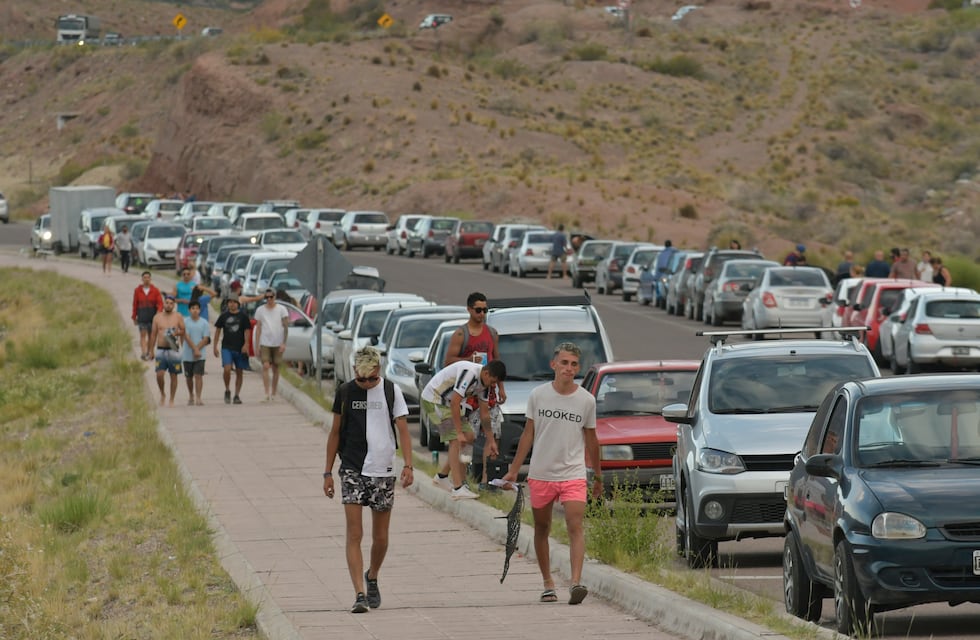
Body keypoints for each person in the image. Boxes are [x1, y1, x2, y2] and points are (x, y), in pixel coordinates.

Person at [502, 342, 600, 606]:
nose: (569, 368)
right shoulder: (538, 395)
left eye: (574, 364)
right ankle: (548, 583)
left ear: (578, 368)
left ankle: (576, 582)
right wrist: (513, 470)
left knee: (575, 525)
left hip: (573, 474)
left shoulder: (586, 400)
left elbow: (592, 440)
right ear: (553, 364)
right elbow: (528, 434)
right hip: (542, 473)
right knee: (542, 528)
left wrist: (598, 476)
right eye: (564, 362)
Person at [323, 346, 414, 614]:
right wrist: (327, 472)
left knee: (381, 537)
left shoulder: (390, 391)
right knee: (354, 534)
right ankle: (359, 595)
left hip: (383, 470)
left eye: (370, 379)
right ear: (354, 373)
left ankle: (372, 576)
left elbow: (404, 431)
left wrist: (408, 465)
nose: (365, 383)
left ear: (378, 371)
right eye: (360, 379)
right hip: (352, 468)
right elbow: (335, 432)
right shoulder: (345, 392)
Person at [441, 292, 507, 490]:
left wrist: (501, 387)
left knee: (491, 434)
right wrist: (470, 361)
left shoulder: (492, 333)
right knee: (463, 438)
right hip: (466, 392)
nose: (482, 314)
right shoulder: (461, 334)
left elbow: (497, 359)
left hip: (487, 390)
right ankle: (460, 479)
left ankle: (486, 482)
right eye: (478, 310)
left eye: (485, 310)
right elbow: (448, 360)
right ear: (469, 309)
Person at [421, 359, 505, 500]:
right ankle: (458, 487)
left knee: (470, 436)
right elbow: (455, 401)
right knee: (455, 439)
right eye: (493, 381)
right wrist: (459, 433)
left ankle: (442, 476)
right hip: (434, 399)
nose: (494, 385)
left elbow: (484, 415)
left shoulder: (485, 385)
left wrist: (491, 441)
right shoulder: (470, 373)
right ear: (486, 373)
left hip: (447, 403)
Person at [213, 294, 252, 405]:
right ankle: (227, 389)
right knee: (227, 369)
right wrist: (215, 346)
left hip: (239, 348)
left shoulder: (243, 316)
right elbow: (217, 331)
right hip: (227, 347)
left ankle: (237, 395)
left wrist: (246, 344)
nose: (232, 304)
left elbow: (247, 331)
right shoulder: (223, 316)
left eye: (234, 302)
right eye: (230, 302)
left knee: (239, 371)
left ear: (238, 304)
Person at [149, 295, 186, 407]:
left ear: (174, 305)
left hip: (173, 348)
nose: (168, 305)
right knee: (159, 374)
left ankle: (172, 399)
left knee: (173, 375)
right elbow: (153, 334)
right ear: (163, 304)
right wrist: (151, 350)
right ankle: (162, 394)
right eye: (167, 303)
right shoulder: (157, 317)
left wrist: (176, 333)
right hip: (161, 349)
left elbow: (183, 330)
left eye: (171, 303)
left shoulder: (178, 316)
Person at [253, 288, 289, 402]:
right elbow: (258, 328)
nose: (269, 299)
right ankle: (266, 392)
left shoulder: (281, 309)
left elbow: (286, 327)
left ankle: (274, 392)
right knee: (265, 366)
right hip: (265, 342)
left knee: (276, 368)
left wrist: (284, 343)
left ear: (275, 297)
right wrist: (256, 345)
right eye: (266, 297)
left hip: (277, 343)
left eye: (271, 297)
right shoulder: (260, 310)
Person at [181, 300, 210, 406]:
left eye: (197, 308)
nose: (195, 310)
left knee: (198, 375)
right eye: (193, 308)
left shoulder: (204, 322)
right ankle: (191, 395)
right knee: (189, 377)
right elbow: (186, 337)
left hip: (200, 355)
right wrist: (195, 349)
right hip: (188, 355)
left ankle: (198, 397)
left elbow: (206, 338)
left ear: (200, 310)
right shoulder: (185, 322)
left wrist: (198, 350)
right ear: (189, 310)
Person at [133, 271, 165, 361]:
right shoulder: (137, 290)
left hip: (152, 315)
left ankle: (150, 351)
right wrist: (134, 316)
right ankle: (143, 352)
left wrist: (159, 312)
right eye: (145, 277)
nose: (146, 279)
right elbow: (135, 303)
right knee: (143, 334)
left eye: (148, 277)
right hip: (142, 314)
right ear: (142, 279)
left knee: (151, 335)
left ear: (150, 279)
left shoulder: (155, 290)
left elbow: (160, 303)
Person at [653, 239, 678, 306]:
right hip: (673, 275)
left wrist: (656, 277)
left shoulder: (662, 254)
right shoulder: (676, 252)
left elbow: (658, 267)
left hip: (665, 275)